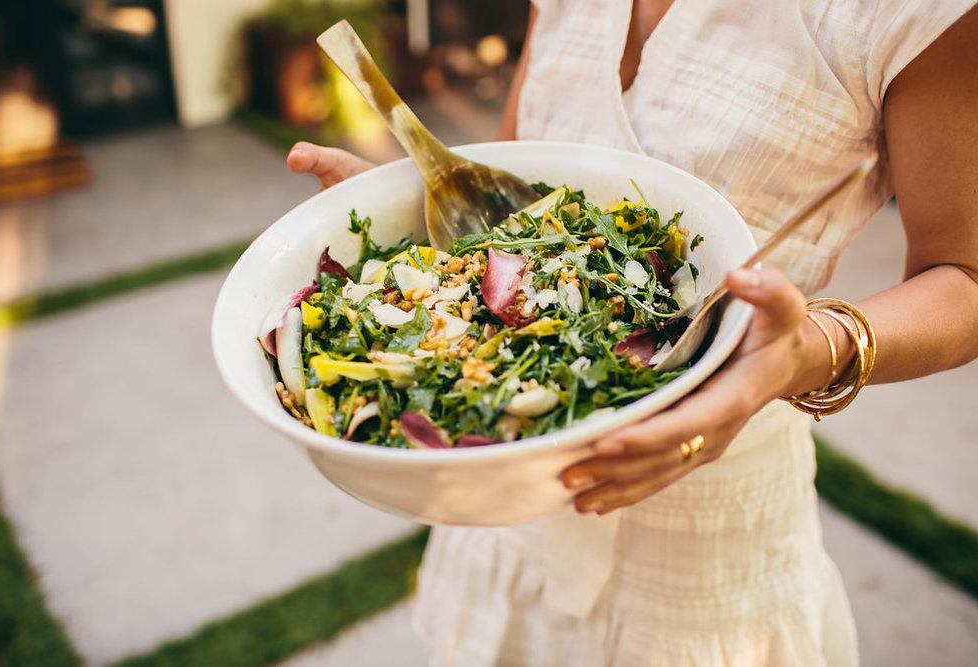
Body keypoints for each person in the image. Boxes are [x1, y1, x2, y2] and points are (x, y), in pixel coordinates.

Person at [288, 1, 978, 664]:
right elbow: (514, 193)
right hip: (506, 489)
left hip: (706, 534)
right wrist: (400, 216)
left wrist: (809, 352)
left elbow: (964, 277)